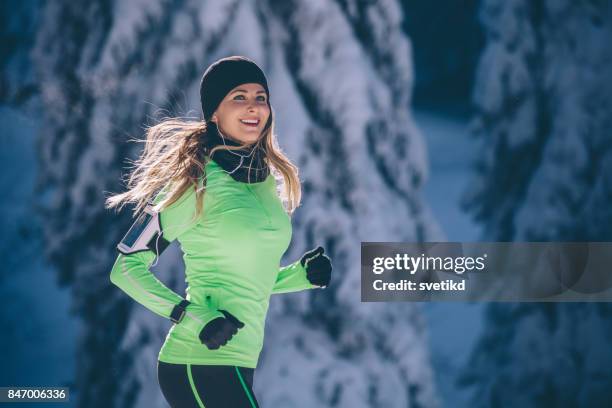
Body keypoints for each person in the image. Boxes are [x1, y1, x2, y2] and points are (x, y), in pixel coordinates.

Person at [105, 56, 333, 408]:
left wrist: (300, 276)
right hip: (197, 361)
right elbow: (125, 269)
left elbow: (245, 278)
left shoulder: (263, 183)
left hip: (239, 362)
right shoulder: (193, 184)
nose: (254, 107)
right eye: (238, 97)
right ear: (214, 113)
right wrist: (193, 316)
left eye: (261, 97)